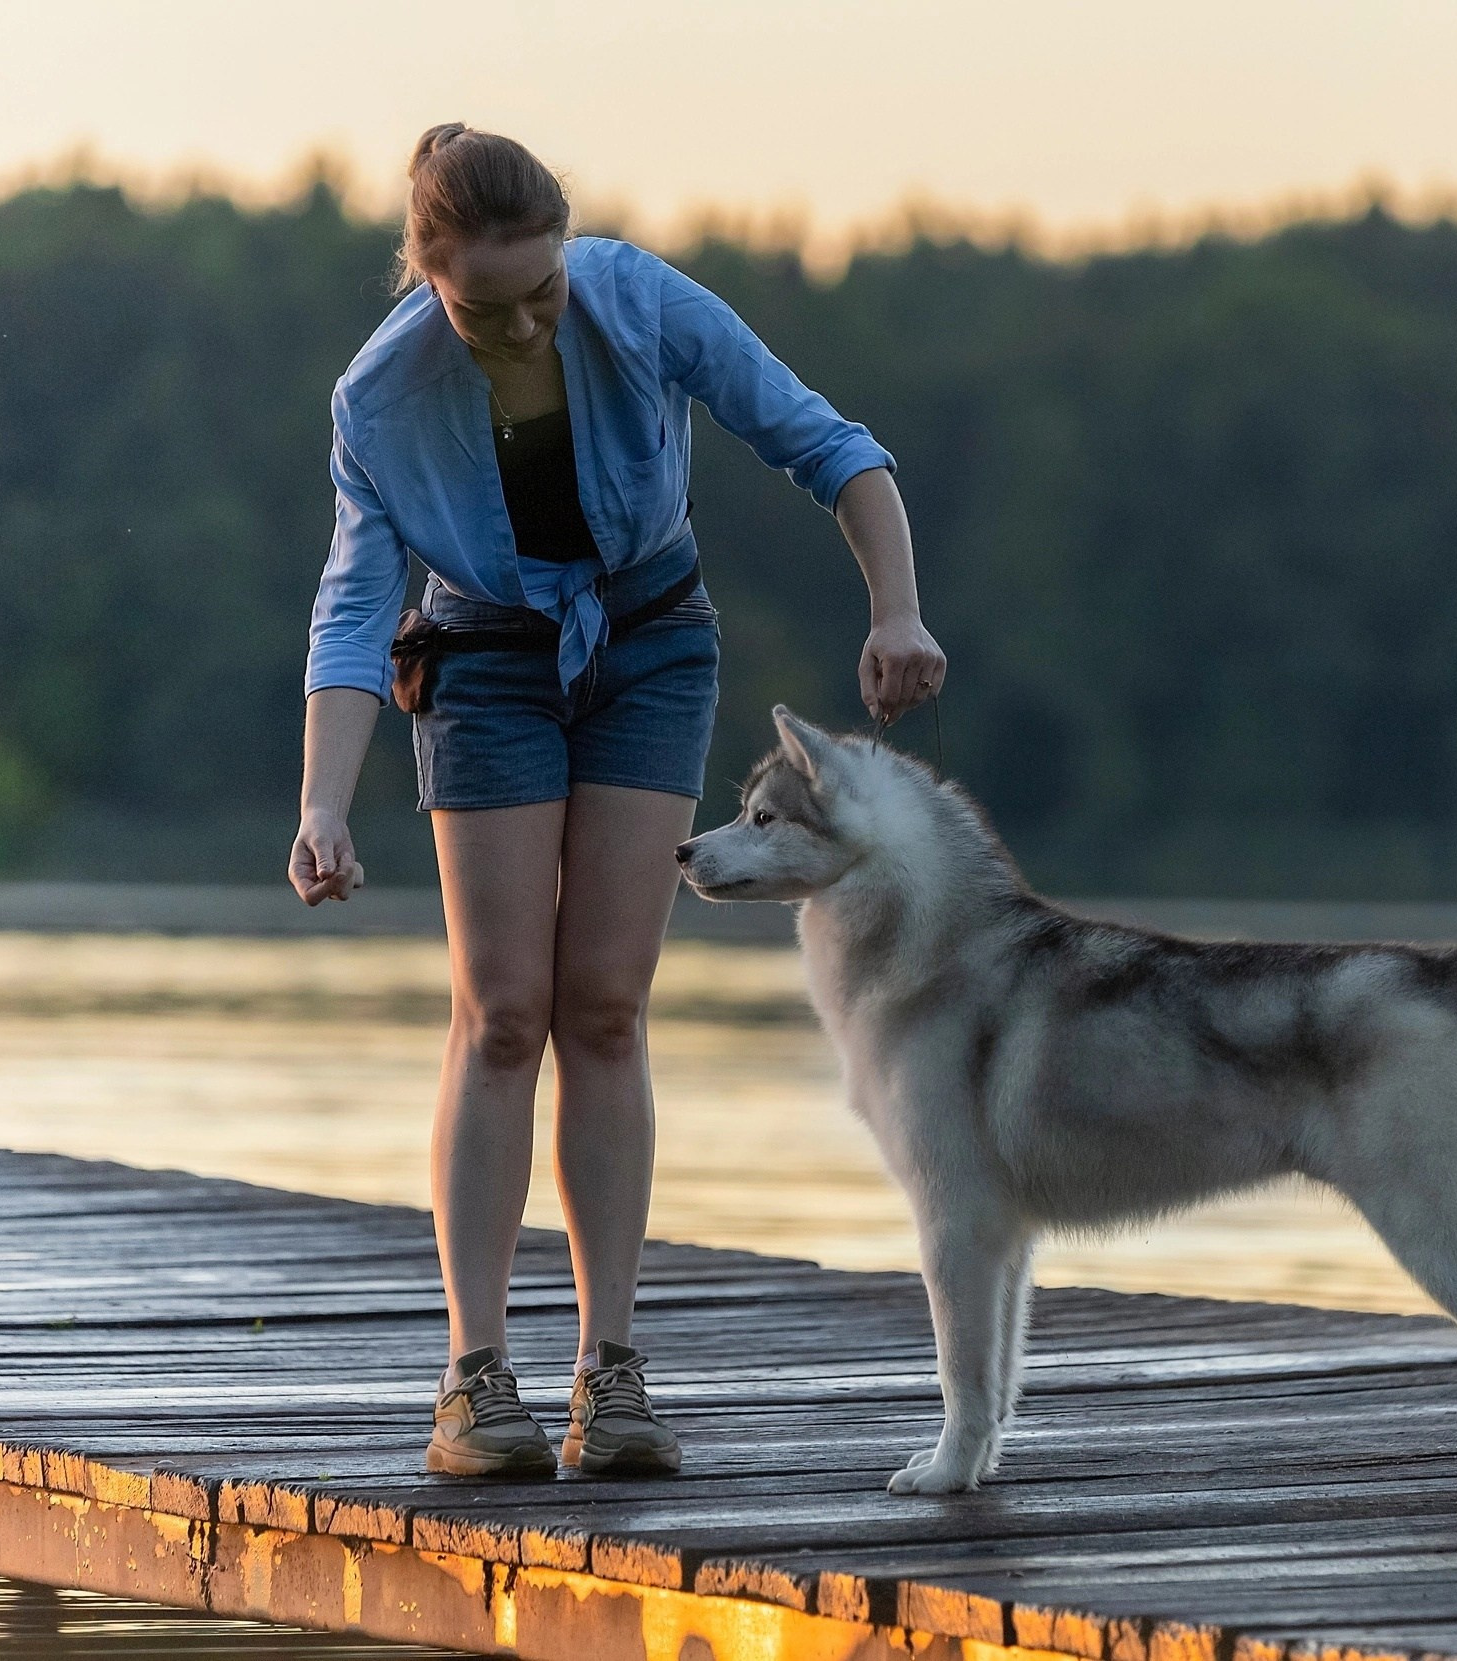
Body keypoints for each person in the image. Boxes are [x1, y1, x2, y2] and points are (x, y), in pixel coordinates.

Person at [289, 124, 945, 1478]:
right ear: (427, 277)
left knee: (605, 999)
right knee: (504, 1008)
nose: (527, 322)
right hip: (479, 659)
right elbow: (355, 606)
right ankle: (477, 1375)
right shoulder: (381, 396)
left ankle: (610, 1368)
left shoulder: (637, 297)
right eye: (488, 306)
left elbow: (830, 446)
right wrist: (324, 805)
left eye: (544, 291)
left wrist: (899, 610)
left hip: (649, 641)